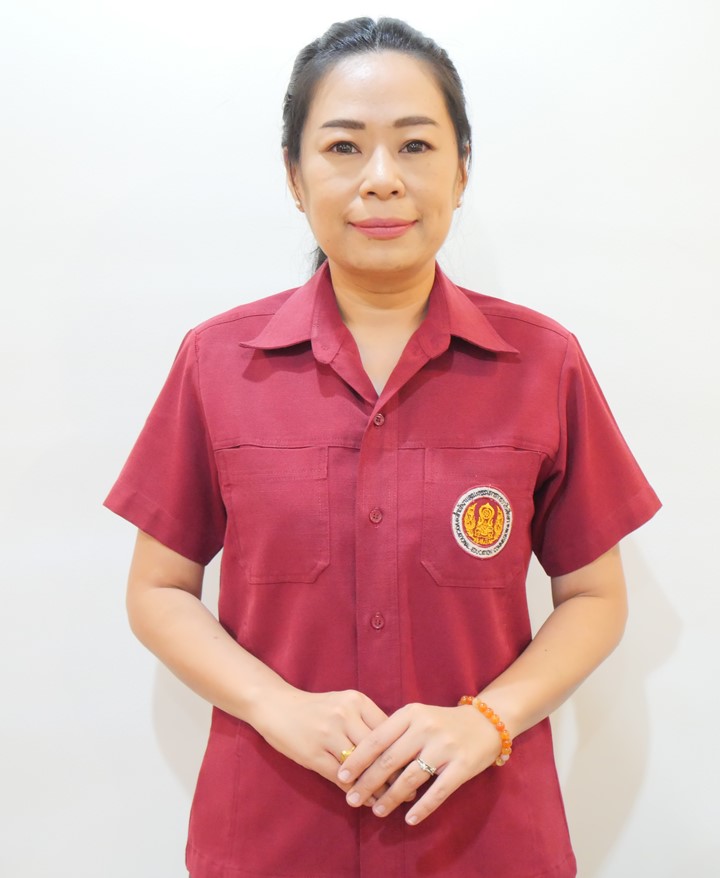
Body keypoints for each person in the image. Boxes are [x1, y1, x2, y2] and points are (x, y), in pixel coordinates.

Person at [105, 17, 660, 878]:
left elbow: (594, 596)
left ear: (461, 170)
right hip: (276, 836)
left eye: (415, 145)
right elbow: (158, 590)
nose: (381, 178)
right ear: (294, 176)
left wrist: (487, 720)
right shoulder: (216, 363)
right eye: (342, 147)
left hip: (484, 840)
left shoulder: (543, 363)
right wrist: (276, 706)